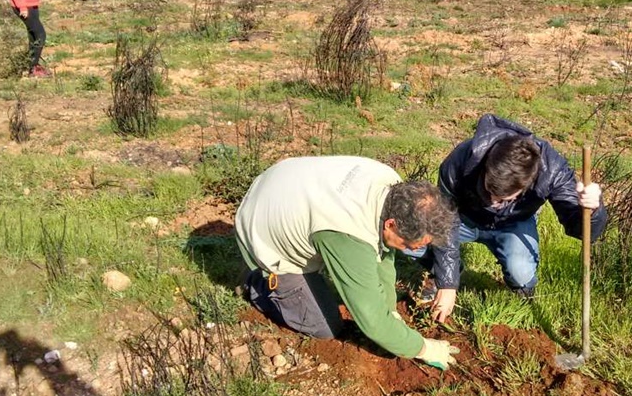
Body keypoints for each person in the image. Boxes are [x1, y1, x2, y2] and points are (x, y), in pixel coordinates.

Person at [235, 156, 460, 370]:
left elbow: (383, 255)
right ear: (391, 224)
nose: (413, 250)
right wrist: (422, 348)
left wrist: (390, 308)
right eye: (410, 244)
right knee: (324, 326)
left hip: (282, 185)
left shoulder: (393, 189)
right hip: (259, 228)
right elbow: (373, 323)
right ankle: (256, 280)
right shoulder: (348, 235)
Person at [412, 114, 608, 323]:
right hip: (462, 219)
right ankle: (443, 270)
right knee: (411, 236)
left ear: (525, 185)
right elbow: (444, 218)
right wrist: (448, 283)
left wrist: (593, 210)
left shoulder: (552, 170)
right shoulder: (462, 159)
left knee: (521, 273)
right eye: (488, 191)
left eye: (502, 198)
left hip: (513, 224)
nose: (492, 201)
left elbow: (580, 229)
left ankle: (519, 294)